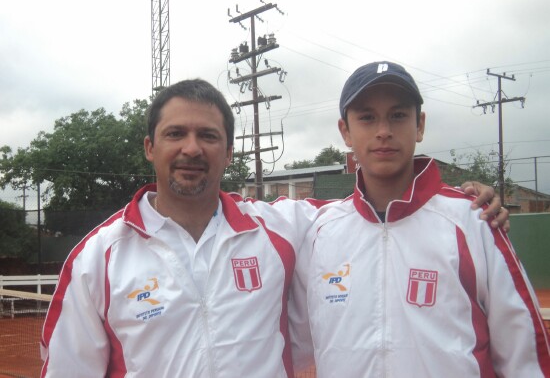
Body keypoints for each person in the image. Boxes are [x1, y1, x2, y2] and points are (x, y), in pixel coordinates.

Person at [40, 78, 508, 377]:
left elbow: (376, 211)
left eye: (208, 136)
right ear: (149, 146)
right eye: (175, 134)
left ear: (227, 150)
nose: (191, 148)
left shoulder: (283, 227)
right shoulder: (97, 257)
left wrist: (463, 197)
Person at [290, 62, 550, 377]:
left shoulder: (474, 220)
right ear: (345, 131)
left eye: (398, 115)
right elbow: (295, 344)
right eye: (367, 117)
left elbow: (527, 356)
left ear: (420, 125)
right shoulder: (321, 231)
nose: (383, 130)